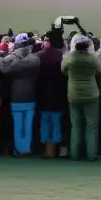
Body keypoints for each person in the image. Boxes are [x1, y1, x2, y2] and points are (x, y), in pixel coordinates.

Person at [0, 33, 40, 156]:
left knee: (18, 124)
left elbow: (3, 67)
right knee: (28, 124)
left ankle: (19, 149)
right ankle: (27, 148)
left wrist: (9, 55)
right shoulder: (35, 60)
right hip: (31, 94)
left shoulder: (13, 63)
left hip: (16, 96)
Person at [61, 33, 101, 161]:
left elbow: (63, 70)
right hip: (91, 93)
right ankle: (91, 155)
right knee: (91, 126)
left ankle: (74, 154)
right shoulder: (92, 58)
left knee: (76, 126)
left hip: (74, 94)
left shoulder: (69, 57)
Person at [35, 30, 69, 159]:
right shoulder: (62, 57)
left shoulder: (38, 56)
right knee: (56, 122)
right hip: (58, 94)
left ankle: (47, 149)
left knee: (45, 121)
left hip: (42, 94)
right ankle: (54, 149)